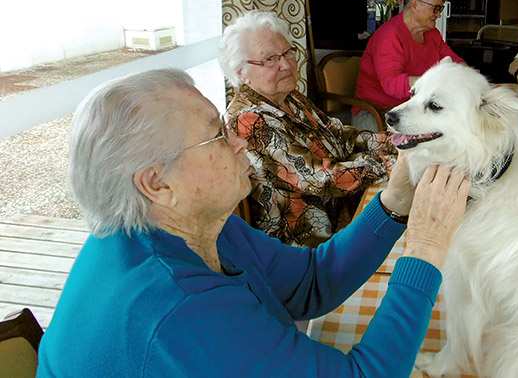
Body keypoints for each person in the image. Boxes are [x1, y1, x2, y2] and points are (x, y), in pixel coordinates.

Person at [37, 68, 471, 377]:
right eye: (217, 134)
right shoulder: (177, 307)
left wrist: (395, 201)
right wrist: (426, 247)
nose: (240, 139)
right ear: (158, 184)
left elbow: (310, 283)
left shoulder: (197, 223)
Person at [217, 11, 396, 248]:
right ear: (241, 73)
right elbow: (321, 180)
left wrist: (395, 142)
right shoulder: (249, 121)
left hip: (347, 209)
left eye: (287, 52)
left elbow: (339, 135)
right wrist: (387, 164)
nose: (286, 65)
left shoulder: (289, 97)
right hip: (308, 244)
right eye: (270, 59)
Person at [352, 0, 464, 131]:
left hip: (413, 109)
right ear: (416, 5)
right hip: (379, 113)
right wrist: (431, 84)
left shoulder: (432, 34)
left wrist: (465, 74)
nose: (438, 15)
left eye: (440, 9)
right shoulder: (390, 36)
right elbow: (392, 85)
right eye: (436, 9)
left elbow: (454, 61)